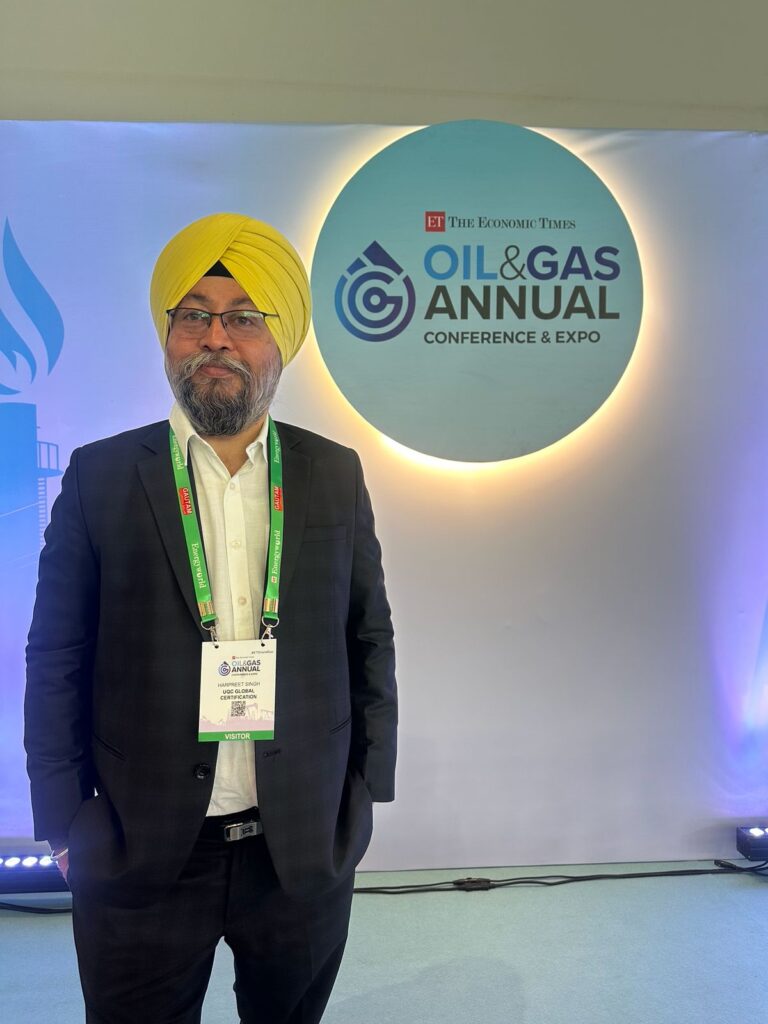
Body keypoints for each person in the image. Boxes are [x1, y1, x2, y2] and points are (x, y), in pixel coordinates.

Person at [24, 212, 397, 1024]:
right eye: (193, 316)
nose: (216, 338)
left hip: (300, 844)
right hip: (139, 843)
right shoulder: (99, 477)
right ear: (168, 337)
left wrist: (364, 796)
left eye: (243, 318)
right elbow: (55, 655)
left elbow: (368, 635)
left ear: (280, 342)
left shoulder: (332, 473)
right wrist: (63, 818)